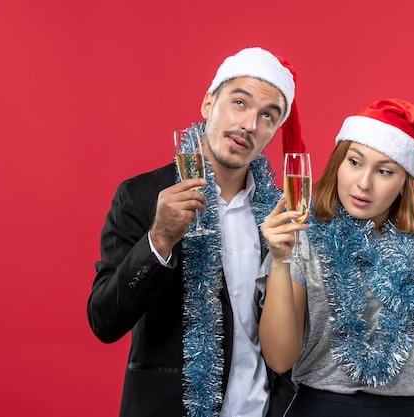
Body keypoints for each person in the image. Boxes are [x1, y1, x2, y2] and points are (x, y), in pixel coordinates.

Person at [87, 47, 305, 417]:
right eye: (240, 102)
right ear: (208, 104)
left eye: (268, 115)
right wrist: (159, 240)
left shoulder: (282, 213)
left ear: (274, 131)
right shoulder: (141, 196)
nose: (249, 124)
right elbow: (104, 321)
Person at [258, 98, 414, 416]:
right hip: (321, 407)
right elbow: (280, 358)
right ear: (338, 163)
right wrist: (281, 261)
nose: (364, 183)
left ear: (404, 182)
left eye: (385, 171)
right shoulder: (301, 239)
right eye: (354, 162)